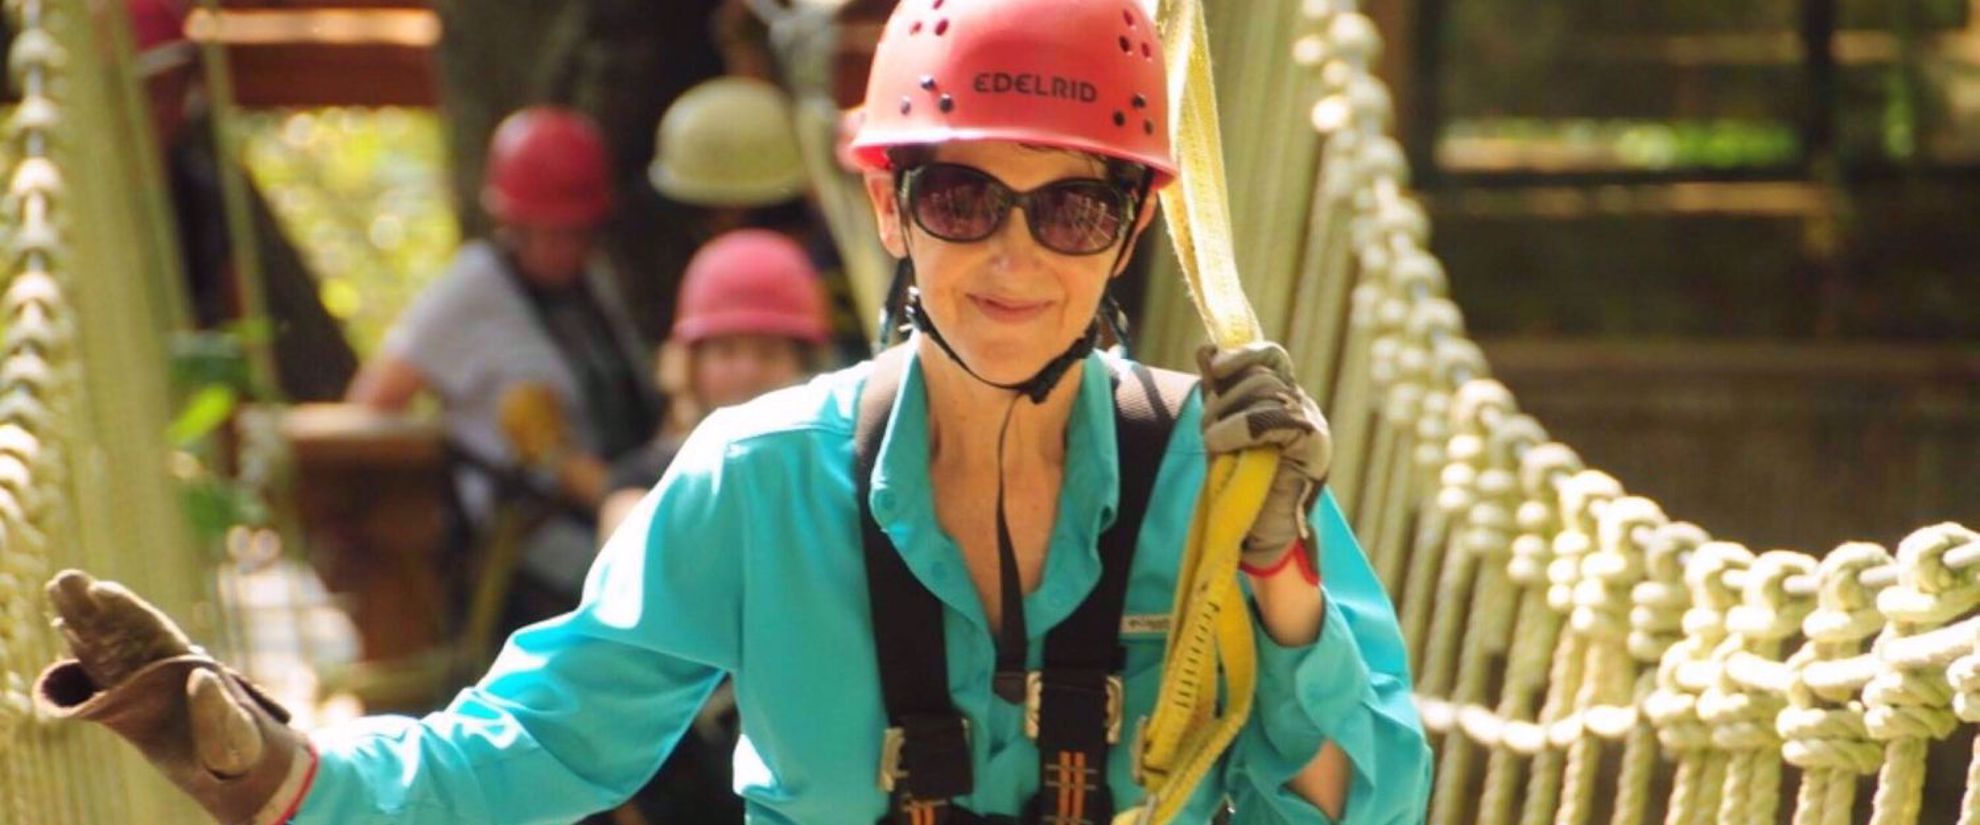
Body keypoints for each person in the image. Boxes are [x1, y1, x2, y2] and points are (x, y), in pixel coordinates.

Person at [36, 2, 1432, 824]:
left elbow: (1362, 798)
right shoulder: (759, 480)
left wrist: (1278, 578)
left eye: (1070, 206)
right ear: (888, 205)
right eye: (962, 199)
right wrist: (271, 766)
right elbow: (528, 749)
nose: (1016, 257)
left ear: (1129, 233)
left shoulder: (1232, 478)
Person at [344, 106, 658, 606]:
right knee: (641, 594)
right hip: (527, 537)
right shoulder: (471, 290)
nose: (565, 249)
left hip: (625, 503)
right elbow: (373, 401)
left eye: (577, 233)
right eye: (549, 232)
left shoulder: (594, 285)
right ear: (512, 222)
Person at [131, 0, 358, 401]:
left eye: (174, 90)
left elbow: (241, 325)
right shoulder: (79, 199)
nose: (166, 110)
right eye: (151, 92)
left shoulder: (201, 196)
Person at [598, 227, 834, 536]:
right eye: (726, 351)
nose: (747, 371)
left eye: (768, 353)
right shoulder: (645, 480)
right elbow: (628, 546)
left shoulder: (836, 476)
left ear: (805, 367)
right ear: (690, 365)